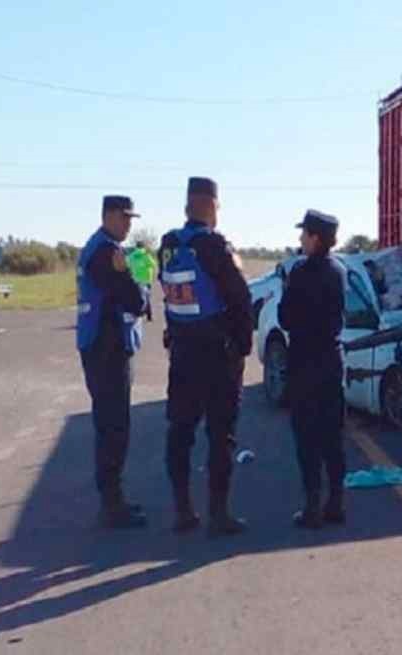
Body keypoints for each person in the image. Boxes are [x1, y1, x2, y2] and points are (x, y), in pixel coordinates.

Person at [159, 176, 253, 537]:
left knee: (180, 430)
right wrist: (242, 347)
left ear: (187, 207)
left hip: (182, 352)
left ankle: (182, 509)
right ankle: (218, 513)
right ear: (212, 206)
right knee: (220, 434)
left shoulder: (167, 245)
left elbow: (169, 294)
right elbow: (240, 298)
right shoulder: (215, 246)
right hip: (217, 357)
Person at [76, 195, 149, 529]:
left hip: (104, 348)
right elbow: (133, 301)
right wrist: (131, 280)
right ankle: (112, 504)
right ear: (107, 216)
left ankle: (114, 499)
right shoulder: (105, 253)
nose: (128, 223)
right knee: (113, 428)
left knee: (112, 426)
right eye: (124, 217)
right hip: (106, 351)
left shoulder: (100, 247)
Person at [280, 209, 347, 529]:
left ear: (315, 238)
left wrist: (285, 288)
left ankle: (312, 507)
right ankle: (336, 502)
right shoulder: (339, 271)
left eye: (304, 234)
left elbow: (286, 318)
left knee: (306, 436)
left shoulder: (300, 273)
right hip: (331, 360)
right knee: (332, 434)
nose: (300, 239)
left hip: (305, 362)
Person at [126, 241, 157, 322]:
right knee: (147, 297)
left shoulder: (132, 256)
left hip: (135, 280)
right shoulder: (145, 255)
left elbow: (126, 264)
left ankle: (137, 313)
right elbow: (153, 264)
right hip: (146, 280)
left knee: (136, 297)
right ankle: (149, 316)